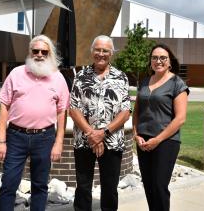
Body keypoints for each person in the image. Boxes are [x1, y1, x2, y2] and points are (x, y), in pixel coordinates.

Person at [0, 35, 70, 211]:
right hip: (16, 137)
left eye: (44, 51)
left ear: (50, 54)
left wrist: (59, 143)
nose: (39, 55)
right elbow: (4, 106)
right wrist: (1, 140)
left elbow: (62, 112)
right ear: (30, 52)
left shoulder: (58, 78)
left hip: (44, 138)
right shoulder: (16, 73)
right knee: (8, 184)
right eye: (35, 51)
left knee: (40, 186)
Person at [69, 35, 131, 211]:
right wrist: (91, 134)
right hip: (84, 140)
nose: (101, 54)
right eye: (98, 49)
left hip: (112, 142)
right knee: (83, 187)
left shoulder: (121, 77)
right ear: (92, 51)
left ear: (111, 53)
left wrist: (102, 134)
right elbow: (73, 109)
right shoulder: (80, 76)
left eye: (105, 50)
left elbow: (125, 112)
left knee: (110, 188)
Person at [133, 43, 189, 211]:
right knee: (149, 186)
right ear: (150, 61)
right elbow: (136, 112)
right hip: (143, 141)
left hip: (166, 142)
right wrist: (136, 134)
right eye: (154, 58)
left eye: (163, 58)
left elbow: (180, 119)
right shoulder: (144, 82)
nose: (158, 61)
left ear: (169, 61)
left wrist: (157, 139)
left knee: (159, 186)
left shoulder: (177, 84)